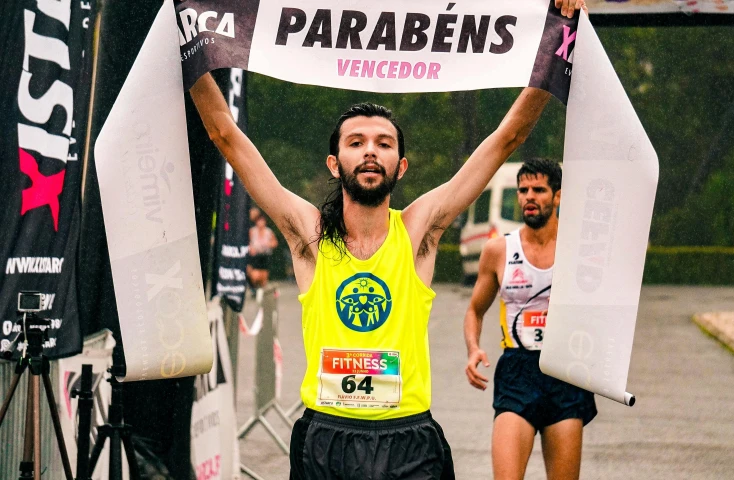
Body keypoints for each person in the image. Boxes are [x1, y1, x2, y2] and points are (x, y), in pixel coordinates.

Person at [189, 2, 584, 477]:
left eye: (384, 142)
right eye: (355, 142)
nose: (370, 150)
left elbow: (506, 138)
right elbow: (224, 134)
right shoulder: (311, 235)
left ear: (401, 167)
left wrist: (558, 37)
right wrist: (188, 44)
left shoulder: (419, 229)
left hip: (407, 442)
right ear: (335, 164)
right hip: (326, 439)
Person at [463, 158, 596, 480]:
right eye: (523, 190)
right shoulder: (497, 250)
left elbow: (607, 311)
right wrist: (473, 348)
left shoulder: (581, 249)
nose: (529, 197)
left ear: (558, 196)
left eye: (538, 189)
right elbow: (474, 311)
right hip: (517, 372)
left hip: (566, 371)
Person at [247, 210, 278, 300]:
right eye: (259, 221)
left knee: (263, 277)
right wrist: (251, 248)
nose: (261, 223)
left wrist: (269, 244)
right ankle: (254, 288)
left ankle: (261, 294)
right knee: (254, 275)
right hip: (255, 256)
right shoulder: (252, 231)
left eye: (262, 221)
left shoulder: (269, 232)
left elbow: (275, 243)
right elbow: (247, 242)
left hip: (265, 256)